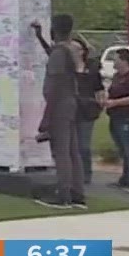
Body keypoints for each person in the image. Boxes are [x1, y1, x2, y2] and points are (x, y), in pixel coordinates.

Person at [36, 13, 88, 209]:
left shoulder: (61, 52)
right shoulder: (68, 49)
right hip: (70, 103)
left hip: (60, 104)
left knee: (61, 151)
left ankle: (63, 194)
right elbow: (54, 55)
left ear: (55, 29)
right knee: (72, 150)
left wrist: (46, 117)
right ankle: (77, 193)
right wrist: (40, 38)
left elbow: (55, 85)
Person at [105, 47, 129, 193]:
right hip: (116, 117)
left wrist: (115, 103)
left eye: (116, 59)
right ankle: (125, 178)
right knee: (123, 149)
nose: (114, 62)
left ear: (124, 61)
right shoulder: (117, 77)